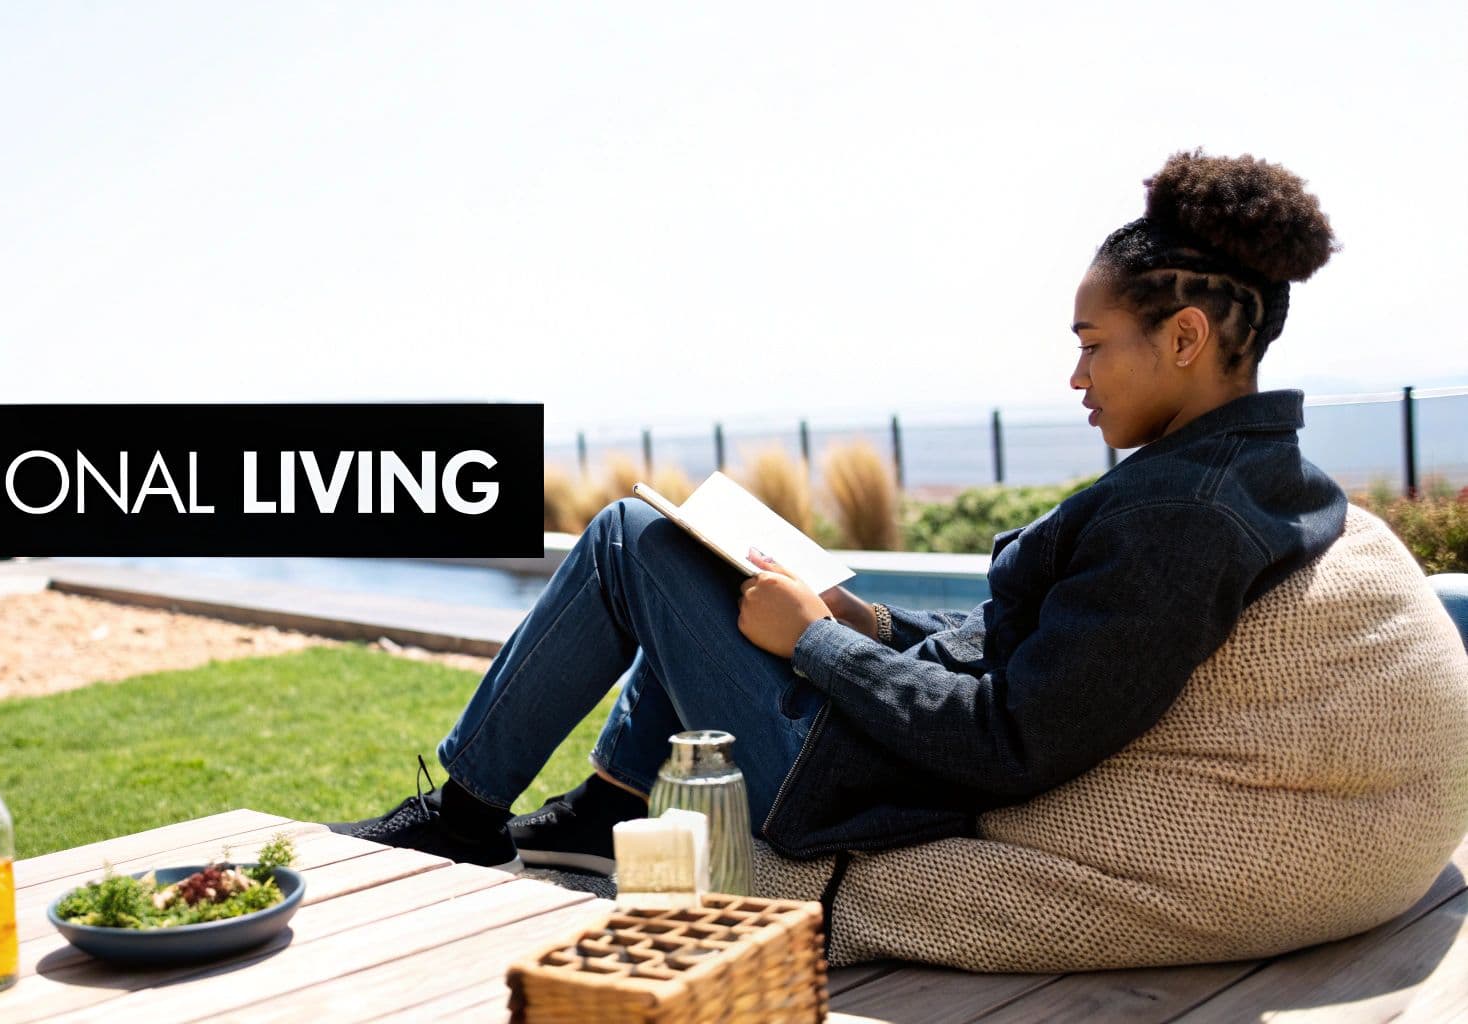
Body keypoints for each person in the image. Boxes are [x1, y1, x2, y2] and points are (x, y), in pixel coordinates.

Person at [329, 149, 1358, 876]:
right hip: (882, 748)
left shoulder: (1180, 518)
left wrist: (817, 644)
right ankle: (604, 809)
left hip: (859, 786)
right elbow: (1016, 655)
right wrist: (867, 624)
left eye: (1093, 342)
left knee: (622, 541)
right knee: (700, 547)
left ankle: (467, 812)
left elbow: (1009, 741)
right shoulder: (1243, 477)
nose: (1074, 374)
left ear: (1181, 337)